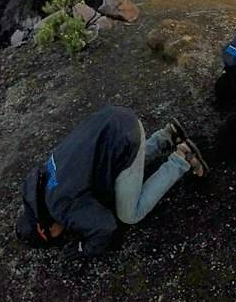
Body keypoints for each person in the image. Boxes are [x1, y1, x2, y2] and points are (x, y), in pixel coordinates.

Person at [15, 105, 208, 259]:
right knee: (116, 174)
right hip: (116, 119)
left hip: (125, 140)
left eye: (53, 238)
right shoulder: (44, 177)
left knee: (129, 214)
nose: (62, 236)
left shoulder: (60, 207)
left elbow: (105, 226)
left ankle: (182, 158)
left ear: (42, 229)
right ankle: (166, 136)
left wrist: (86, 249)